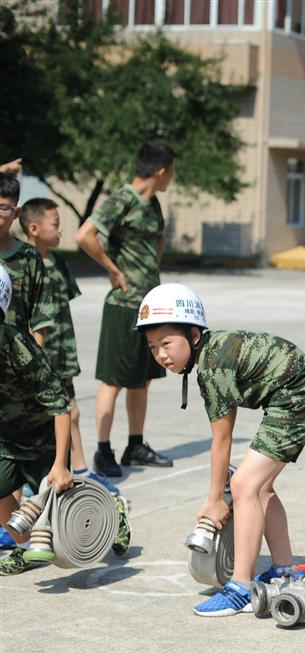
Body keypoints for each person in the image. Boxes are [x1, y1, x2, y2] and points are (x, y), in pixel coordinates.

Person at [136, 283, 305, 616]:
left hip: (298, 399)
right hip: (292, 397)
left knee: (243, 485)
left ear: (194, 335)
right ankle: (283, 571)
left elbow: (221, 440)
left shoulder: (214, 366)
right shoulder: (212, 354)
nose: (161, 355)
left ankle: (240, 587)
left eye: (167, 344)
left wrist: (215, 500)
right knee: (260, 486)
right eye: (153, 347)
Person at [75, 140, 177, 477]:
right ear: (161, 171)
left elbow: (159, 239)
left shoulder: (152, 205)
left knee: (143, 378)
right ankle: (103, 451)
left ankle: (136, 445)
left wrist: (150, 269)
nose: (171, 179)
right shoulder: (122, 199)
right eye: (171, 172)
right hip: (123, 305)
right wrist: (113, 269)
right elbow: (85, 235)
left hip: (150, 305)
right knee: (114, 380)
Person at [20, 199, 120, 495]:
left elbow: (62, 309)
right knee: (38, 417)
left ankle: (80, 470)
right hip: (38, 355)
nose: (61, 229)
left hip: (63, 353)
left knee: (71, 413)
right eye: (55, 224)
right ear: (34, 229)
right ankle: (29, 479)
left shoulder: (59, 263)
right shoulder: (23, 263)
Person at [0, 265, 77, 575]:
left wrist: (60, 464)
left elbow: (60, 406)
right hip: (7, 439)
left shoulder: (19, 348)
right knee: (28, 537)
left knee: (67, 535)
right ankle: (22, 544)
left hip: (44, 439)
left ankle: (114, 514)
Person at [0, 173, 46, 337]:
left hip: (15, 357)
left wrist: (36, 360)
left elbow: (40, 320)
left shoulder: (29, 257)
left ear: (16, 212)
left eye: (3, 208)